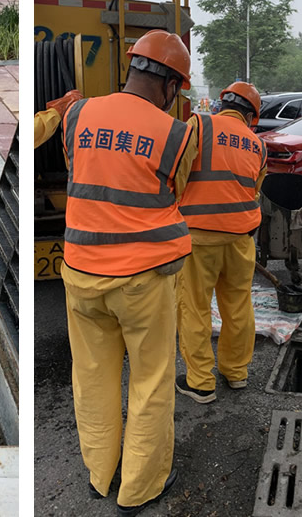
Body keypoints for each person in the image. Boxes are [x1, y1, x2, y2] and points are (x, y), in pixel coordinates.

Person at [59, 29, 196, 517]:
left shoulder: (77, 115)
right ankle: (139, 488)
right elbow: (175, 194)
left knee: (92, 378)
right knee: (151, 382)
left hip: (79, 274)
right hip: (144, 280)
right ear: (171, 86)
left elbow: (79, 174)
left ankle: (100, 474)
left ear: (132, 68)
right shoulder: (177, 134)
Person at [173, 81, 267, 404]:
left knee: (195, 308)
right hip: (241, 239)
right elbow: (254, 189)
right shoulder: (258, 145)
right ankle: (236, 371)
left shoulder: (199, 124)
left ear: (222, 102)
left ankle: (200, 382)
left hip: (199, 238)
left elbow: (178, 173)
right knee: (239, 305)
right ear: (251, 116)